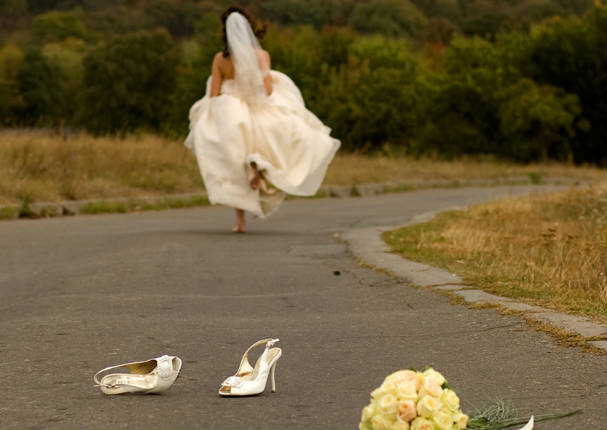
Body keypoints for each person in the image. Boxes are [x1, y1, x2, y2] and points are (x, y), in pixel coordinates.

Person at [185, 7, 340, 232]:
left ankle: (240, 222)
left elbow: (213, 95)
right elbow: (266, 91)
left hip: (231, 112)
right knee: (281, 145)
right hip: (258, 111)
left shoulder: (220, 59)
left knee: (232, 165)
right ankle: (258, 164)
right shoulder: (261, 56)